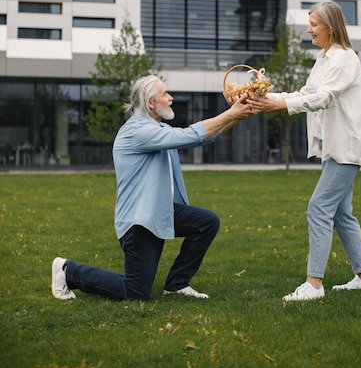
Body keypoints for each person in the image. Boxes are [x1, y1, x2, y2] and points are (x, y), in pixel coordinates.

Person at [52, 75, 251, 302]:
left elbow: (201, 139)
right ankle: (68, 271)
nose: (171, 98)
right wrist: (231, 114)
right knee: (136, 293)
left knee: (206, 222)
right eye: (165, 94)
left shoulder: (157, 128)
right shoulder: (137, 131)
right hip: (140, 221)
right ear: (150, 103)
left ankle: (177, 284)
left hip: (162, 211)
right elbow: (189, 135)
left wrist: (237, 116)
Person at [246, 0, 361, 301]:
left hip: (346, 148)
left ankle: (314, 284)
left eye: (314, 24)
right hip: (333, 148)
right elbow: (306, 94)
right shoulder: (324, 58)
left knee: (319, 209)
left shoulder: (345, 59)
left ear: (330, 27)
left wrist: (278, 105)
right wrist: (266, 98)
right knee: (342, 214)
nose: (309, 29)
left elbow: (325, 97)